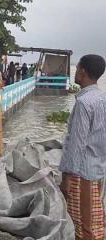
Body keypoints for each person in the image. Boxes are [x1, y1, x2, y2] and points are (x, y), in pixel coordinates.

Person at [59, 54, 106, 240]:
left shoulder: (84, 103)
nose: (76, 72)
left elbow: (76, 145)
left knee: (82, 225)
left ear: (82, 71)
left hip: (82, 174)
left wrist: (66, 178)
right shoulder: (102, 98)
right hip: (98, 170)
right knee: (96, 220)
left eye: (77, 68)